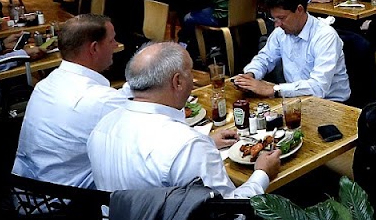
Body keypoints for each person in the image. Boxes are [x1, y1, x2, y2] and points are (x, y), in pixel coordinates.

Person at [88, 42, 279, 197]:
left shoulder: (102, 125)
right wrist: (262, 175)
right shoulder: (187, 145)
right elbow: (232, 215)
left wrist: (207, 142)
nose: (194, 79)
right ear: (177, 81)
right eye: (191, 72)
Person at [11, 14, 128, 188]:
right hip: (68, 205)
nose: (116, 45)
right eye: (111, 40)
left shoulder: (45, 84)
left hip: (27, 194)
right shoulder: (98, 99)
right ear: (94, 48)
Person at [232, 0, 351, 102]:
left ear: (299, 10)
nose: (277, 24)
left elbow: (318, 87)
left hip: (331, 104)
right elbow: (265, 58)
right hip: (295, 99)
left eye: (282, 18)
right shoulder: (280, 32)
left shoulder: (325, 36)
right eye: (274, 19)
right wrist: (250, 75)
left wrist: (273, 89)